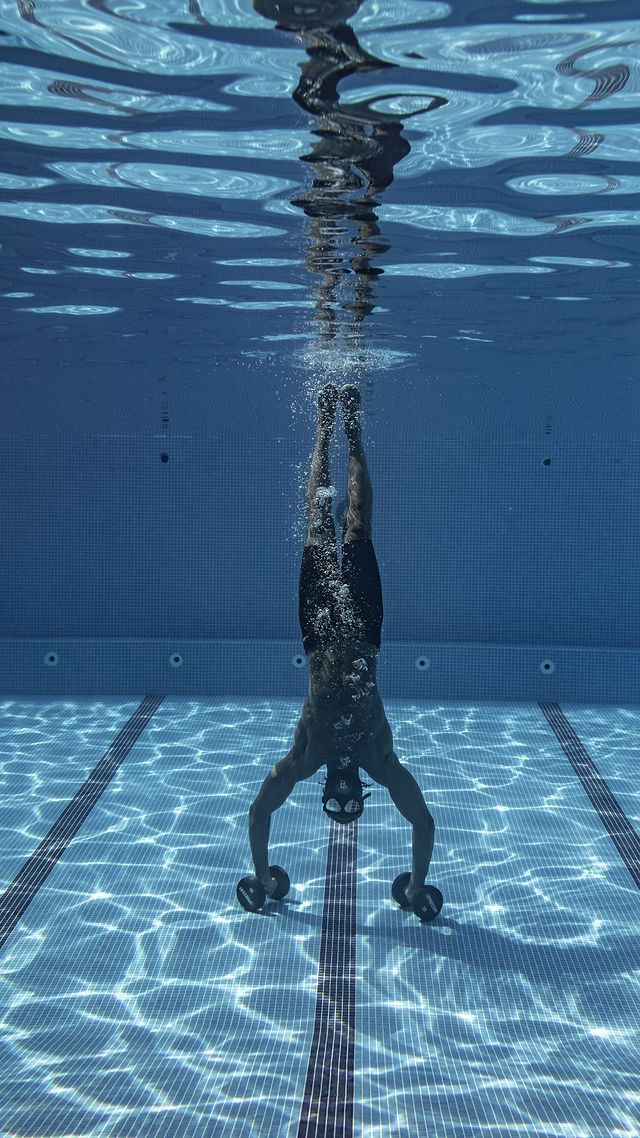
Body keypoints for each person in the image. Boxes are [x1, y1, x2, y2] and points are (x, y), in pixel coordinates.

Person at [248, 384, 435, 906]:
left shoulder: (310, 757)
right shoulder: (373, 756)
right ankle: (340, 429)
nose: (347, 785)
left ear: (332, 788)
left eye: (342, 794)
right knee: (344, 528)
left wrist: (263, 878)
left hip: (328, 633)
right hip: (352, 633)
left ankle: (332, 427)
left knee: (330, 528)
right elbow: (421, 821)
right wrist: (415, 886)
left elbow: (260, 813)